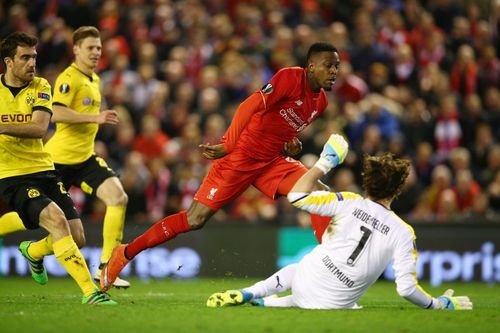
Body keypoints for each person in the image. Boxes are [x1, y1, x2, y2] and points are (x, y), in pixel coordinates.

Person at [100, 42, 340, 290]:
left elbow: (279, 125)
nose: (334, 71)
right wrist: (228, 144)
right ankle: (124, 253)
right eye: (328, 65)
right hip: (240, 156)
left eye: (337, 67)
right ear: (311, 67)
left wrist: (290, 144)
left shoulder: (320, 103)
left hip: (271, 162)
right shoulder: (290, 77)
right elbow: (249, 106)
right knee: (195, 219)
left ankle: (327, 267)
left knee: (321, 193)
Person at [206, 134, 473, 310]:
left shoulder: (348, 201)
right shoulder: (403, 232)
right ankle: (265, 301)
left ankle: (253, 294)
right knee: (323, 295)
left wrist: (325, 162)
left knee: (300, 270)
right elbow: (406, 288)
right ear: (398, 189)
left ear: (367, 181)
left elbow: (298, 196)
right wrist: (438, 304)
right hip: (338, 303)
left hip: (305, 284)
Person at [0, 32, 115, 304]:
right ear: (8, 61)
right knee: (55, 219)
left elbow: (39, 128)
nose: (31, 63)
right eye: (25, 57)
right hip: (12, 175)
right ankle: (91, 292)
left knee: (78, 237)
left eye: (34, 57)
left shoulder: (41, 85)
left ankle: (34, 251)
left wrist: (2, 126)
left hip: (44, 169)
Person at [41, 26, 130, 288]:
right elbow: (55, 113)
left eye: (99, 48)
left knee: (118, 198)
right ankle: (33, 251)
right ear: (76, 49)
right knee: (44, 223)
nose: (96, 52)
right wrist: (95, 117)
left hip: (85, 159)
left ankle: (106, 267)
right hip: (57, 161)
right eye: (90, 47)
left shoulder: (94, 79)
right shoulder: (69, 78)